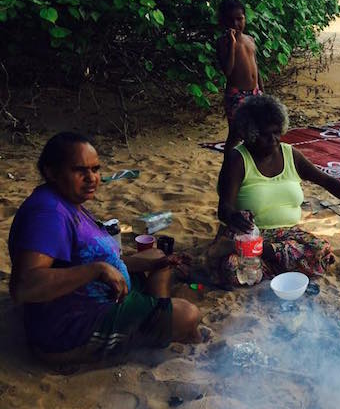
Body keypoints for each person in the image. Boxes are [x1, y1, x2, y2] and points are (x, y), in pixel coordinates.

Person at [8, 132, 202, 363]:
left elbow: (84, 259)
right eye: (79, 170)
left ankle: (156, 320)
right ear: (51, 172)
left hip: (102, 292)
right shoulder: (48, 214)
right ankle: (160, 325)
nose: (91, 178)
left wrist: (131, 265)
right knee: (189, 316)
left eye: (95, 169)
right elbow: (24, 286)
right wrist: (97, 270)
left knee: (159, 256)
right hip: (73, 327)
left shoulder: (68, 201)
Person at [213, 95, 340, 288]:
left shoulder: (290, 154)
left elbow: (327, 181)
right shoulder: (238, 159)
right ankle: (275, 258)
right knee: (231, 268)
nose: (274, 140)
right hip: (252, 236)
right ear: (251, 134)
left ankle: (269, 256)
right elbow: (224, 208)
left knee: (322, 251)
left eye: (277, 132)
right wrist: (233, 217)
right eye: (265, 135)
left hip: (288, 236)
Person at [216, 0, 264, 149]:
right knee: (236, 133)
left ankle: (249, 164)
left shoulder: (250, 39)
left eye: (239, 19)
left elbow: (256, 66)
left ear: (245, 18)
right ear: (223, 21)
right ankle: (229, 166)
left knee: (258, 130)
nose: (235, 24)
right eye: (230, 20)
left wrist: (262, 90)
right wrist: (232, 45)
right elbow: (228, 71)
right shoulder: (223, 43)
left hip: (255, 92)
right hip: (237, 95)